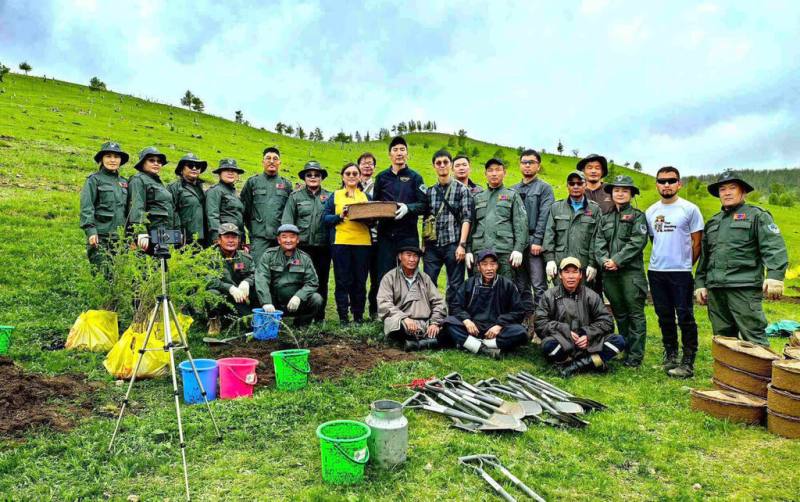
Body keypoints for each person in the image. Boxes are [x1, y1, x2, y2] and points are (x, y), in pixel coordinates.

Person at [695, 172, 788, 347]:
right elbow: (705, 258)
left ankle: (761, 374)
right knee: (723, 340)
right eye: (722, 189)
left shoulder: (757, 216)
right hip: (716, 290)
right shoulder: (713, 222)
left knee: (753, 338)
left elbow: (773, 246)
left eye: (732, 188)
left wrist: (775, 275)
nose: (727, 192)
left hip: (744, 289)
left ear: (743, 192)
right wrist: (700, 283)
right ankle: (728, 375)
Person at [645, 166, 704, 377]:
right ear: (657, 185)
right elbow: (654, 240)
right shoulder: (651, 211)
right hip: (656, 271)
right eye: (662, 181)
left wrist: (686, 263)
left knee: (685, 315)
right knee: (664, 316)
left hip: (681, 271)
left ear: (679, 184)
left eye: (671, 181)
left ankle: (688, 361)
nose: (666, 185)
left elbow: (697, 242)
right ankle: (670, 356)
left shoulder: (689, 209)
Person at [535, 257, 625, 377]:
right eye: (566, 272)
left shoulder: (591, 295)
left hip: (590, 344)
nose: (571, 276)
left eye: (574, 272)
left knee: (618, 341)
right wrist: (565, 331)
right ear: (560, 275)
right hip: (564, 343)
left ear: (580, 275)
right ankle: (592, 362)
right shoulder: (549, 295)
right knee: (548, 345)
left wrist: (587, 335)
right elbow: (540, 323)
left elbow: (607, 321)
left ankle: (573, 366)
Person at [595, 176, 649, 368]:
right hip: (610, 274)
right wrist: (604, 261)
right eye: (616, 190)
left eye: (625, 190)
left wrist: (617, 260)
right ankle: (624, 348)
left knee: (635, 314)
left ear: (631, 194)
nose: (620, 193)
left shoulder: (638, 216)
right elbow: (598, 242)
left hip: (631, 274)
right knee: (620, 314)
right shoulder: (605, 218)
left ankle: (635, 356)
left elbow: (637, 242)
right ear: (611, 193)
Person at [466, 158, 531, 313]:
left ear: (504, 173)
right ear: (485, 174)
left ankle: (505, 323)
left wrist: (518, 249)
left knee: (506, 288)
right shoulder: (477, 197)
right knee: (479, 288)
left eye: (498, 170)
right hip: (480, 252)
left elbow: (521, 225)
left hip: (504, 252)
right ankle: (480, 321)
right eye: (490, 170)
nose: (494, 174)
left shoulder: (512, 196)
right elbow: (471, 226)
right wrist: (467, 249)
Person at [443, 250, 528, 358]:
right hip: (473, 328)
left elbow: (519, 311)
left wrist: (499, 325)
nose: (489, 268)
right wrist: (467, 321)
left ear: (497, 266)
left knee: (520, 332)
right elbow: (455, 306)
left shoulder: (507, 285)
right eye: (484, 264)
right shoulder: (469, 283)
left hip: (496, 331)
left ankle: (472, 344)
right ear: (478, 267)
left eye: (492, 264)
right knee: (448, 323)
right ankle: (484, 349)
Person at [282, 161, 332, 323]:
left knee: (322, 281)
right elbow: (287, 223)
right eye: (309, 175)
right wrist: (290, 244)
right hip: (301, 248)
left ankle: (320, 317)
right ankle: (300, 316)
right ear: (304, 177)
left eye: (316, 175)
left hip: (323, 248)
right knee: (299, 281)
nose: (313, 177)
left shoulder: (330, 197)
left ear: (321, 177)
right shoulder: (295, 197)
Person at [323, 163, 372, 323]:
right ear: (343, 176)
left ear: (359, 177)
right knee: (342, 280)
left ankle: (358, 316)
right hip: (341, 243)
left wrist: (369, 218)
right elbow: (325, 218)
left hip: (363, 244)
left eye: (355, 173)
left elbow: (374, 220)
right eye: (348, 173)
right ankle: (343, 317)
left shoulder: (366, 197)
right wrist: (340, 216)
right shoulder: (335, 196)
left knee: (360, 281)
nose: (351, 176)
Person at [422, 149, 472, 306]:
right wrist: (423, 244)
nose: (442, 165)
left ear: (451, 165)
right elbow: (426, 219)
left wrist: (462, 245)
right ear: (434, 166)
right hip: (432, 245)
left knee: (455, 286)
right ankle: (432, 318)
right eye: (438, 163)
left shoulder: (462, 189)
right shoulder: (429, 191)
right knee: (428, 283)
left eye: (445, 162)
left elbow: (466, 218)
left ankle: (454, 320)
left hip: (453, 243)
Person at [373, 136, 426, 280]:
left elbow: (424, 205)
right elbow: (374, 204)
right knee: (384, 276)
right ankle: (384, 303)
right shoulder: (381, 177)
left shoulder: (416, 178)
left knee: (409, 275)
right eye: (395, 150)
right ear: (390, 154)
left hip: (408, 235)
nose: (399, 153)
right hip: (385, 235)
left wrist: (408, 208)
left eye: (402, 149)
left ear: (407, 154)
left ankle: (409, 303)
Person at [377, 246, 447, 351]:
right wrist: (404, 318)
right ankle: (427, 342)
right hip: (402, 322)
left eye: (415, 256)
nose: (412, 259)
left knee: (449, 327)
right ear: (400, 256)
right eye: (408, 255)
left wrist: (434, 323)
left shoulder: (425, 278)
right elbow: (384, 303)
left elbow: (438, 302)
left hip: (425, 322)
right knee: (395, 326)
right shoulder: (389, 277)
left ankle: (415, 343)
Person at [255, 224, 323, 327]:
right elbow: (261, 279)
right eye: (284, 236)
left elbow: (312, 282)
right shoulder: (268, 255)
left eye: (292, 236)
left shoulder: (305, 258)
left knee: (316, 299)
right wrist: (266, 302)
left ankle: (301, 325)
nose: (288, 240)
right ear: (278, 240)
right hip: (274, 302)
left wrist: (299, 297)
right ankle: (269, 322)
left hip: (296, 303)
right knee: (255, 293)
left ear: (297, 240)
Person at [542, 171, 601, 290]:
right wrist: (550, 260)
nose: (575, 186)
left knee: (584, 302)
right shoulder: (556, 208)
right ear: (567, 186)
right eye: (572, 183)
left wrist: (593, 264)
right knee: (561, 302)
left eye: (579, 183)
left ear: (585, 185)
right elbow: (549, 235)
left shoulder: (594, 209)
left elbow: (598, 239)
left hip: (584, 267)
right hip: (560, 266)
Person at [511, 149, 555, 307]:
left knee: (538, 284)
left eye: (531, 162)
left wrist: (537, 240)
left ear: (538, 166)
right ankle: (526, 321)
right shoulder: (513, 190)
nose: (527, 166)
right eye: (524, 162)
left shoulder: (544, 188)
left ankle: (542, 322)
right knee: (520, 285)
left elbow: (545, 216)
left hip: (534, 242)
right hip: (517, 244)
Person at [79, 141, 129, 271]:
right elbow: (87, 207)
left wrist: (132, 236)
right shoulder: (94, 180)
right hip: (101, 238)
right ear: (101, 159)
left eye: (116, 157)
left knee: (122, 278)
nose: (112, 160)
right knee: (102, 276)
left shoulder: (125, 182)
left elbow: (130, 211)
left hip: (121, 240)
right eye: (108, 156)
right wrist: (91, 232)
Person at [241, 147, 293, 262]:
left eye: (275, 159)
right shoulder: (253, 182)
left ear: (279, 163)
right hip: (259, 237)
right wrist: (254, 228)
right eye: (268, 158)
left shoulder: (286, 184)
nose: (271, 161)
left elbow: (290, 211)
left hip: (280, 236)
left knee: (279, 269)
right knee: (258, 269)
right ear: (263, 162)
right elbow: (245, 210)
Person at [206, 223, 256, 335]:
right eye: (227, 237)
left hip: (238, 299)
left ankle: (231, 317)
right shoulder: (208, 257)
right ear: (219, 240)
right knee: (211, 293)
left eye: (234, 237)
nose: (231, 240)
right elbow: (208, 280)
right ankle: (214, 320)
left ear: (238, 240)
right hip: (221, 296)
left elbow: (254, 274)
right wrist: (230, 288)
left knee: (249, 324)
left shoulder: (245, 258)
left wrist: (247, 282)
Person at [127, 146, 179, 252]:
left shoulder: (158, 183)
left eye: (159, 161)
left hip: (162, 233)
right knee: (147, 266)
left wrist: (175, 236)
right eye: (151, 160)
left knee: (163, 265)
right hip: (150, 233)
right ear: (143, 163)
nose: (156, 163)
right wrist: (141, 232)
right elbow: (137, 207)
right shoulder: (138, 180)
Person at [358, 152, 382, 319]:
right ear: (358, 166)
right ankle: (357, 313)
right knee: (358, 278)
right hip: (357, 239)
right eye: (364, 163)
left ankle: (374, 311)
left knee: (376, 277)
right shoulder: (351, 184)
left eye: (370, 163)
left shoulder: (378, 186)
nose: (367, 166)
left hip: (375, 238)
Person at [168, 153, 208, 247]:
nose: (194, 168)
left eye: (197, 166)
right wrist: (177, 234)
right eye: (190, 166)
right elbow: (171, 212)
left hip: (203, 238)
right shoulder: (174, 188)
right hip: (184, 238)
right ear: (182, 169)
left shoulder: (202, 189)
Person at [205, 158, 246, 244]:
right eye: (226, 170)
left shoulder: (235, 193)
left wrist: (242, 240)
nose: (230, 173)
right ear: (220, 174)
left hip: (235, 238)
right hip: (223, 239)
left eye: (233, 171)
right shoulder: (215, 191)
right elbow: (212, 216)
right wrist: (217, 238)